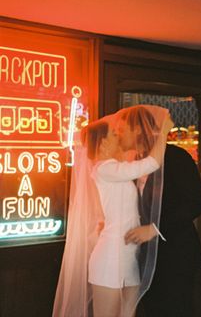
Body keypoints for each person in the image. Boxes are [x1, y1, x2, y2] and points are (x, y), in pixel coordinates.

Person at [52, 105, 173, 317]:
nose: (118, 134)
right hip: (109, 256)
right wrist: (163, 131)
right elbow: (151, 164)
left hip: (128, 255)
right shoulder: (104, 168)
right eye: (113, 133)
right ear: (103, 142)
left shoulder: (116, 168)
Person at [125, 129, 201, 316]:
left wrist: (154, 229)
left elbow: (194, 203)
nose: (120, 134)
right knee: (152, 307)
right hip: (143, 254)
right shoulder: (133, 162)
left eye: (123, 130)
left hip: (176, 252)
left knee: (176, 308)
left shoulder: (176, 156)